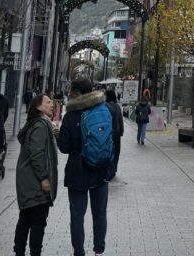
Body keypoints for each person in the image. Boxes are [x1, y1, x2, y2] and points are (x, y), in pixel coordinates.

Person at [58, 79, 110, 256]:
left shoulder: (71, 116)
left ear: (78, 93)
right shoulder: (103, 110)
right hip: (100, 169)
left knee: (77, 216)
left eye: (72, 90)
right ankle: (99, 250)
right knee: (100, 214)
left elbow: (64, 147)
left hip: (77, 171)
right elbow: (114, 136)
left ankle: (79, 252)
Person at [14, 93, 59, 256]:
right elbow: (37, 154)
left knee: (26, 218)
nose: (52, 105)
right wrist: (43, 178)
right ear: (38, 107)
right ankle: (34, 252)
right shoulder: (40, 126)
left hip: (29, 180)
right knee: (37, 221)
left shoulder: (39, 124)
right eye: (48, 102)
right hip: (34, 182)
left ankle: (19, 252)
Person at [104, 88, 124, 177]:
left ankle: (108, 168)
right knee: (117, 150)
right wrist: (121, 131)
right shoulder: (117, 107)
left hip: (107, 133)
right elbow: (120, 120)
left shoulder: (105, 106)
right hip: (117, 133)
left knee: (108, 150)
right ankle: (114, 168)